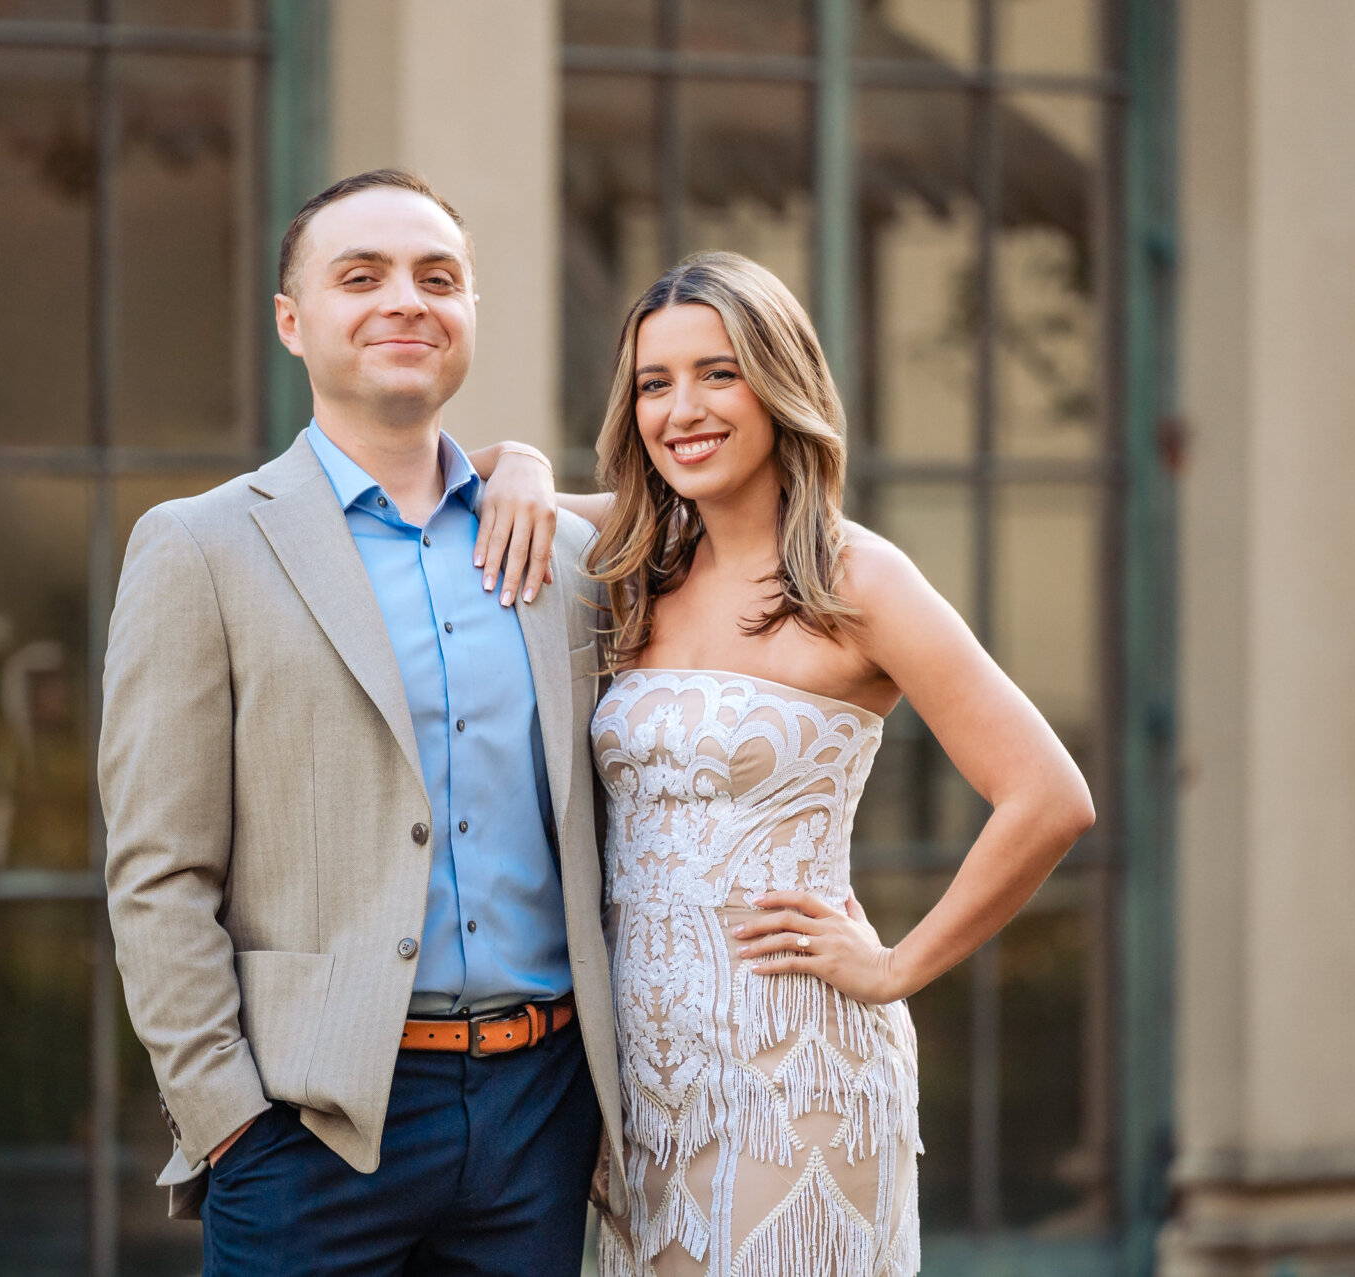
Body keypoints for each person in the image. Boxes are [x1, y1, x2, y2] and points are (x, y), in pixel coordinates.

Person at [472, 250, 1096, 1276]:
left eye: (718, 372)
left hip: (797, 1072)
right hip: (644, 1085)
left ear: (779, 385)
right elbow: (486, 474)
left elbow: (1047, 795)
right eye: (653, 383)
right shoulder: (634, 559)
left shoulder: (859, 576)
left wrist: (897, 966)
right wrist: (532, 467)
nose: (683, 409)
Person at [99, 168, 625, 1275]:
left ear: (471, 314)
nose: (406, 299)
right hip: (309, 1124)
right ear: (293, 321)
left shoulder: (565, 558)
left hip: (539, 1117)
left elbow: (740, 519)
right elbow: (158, 869)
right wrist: (227, 1117)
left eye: (439, 278)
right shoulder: (200, 548)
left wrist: (527, 462)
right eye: (361, 276)